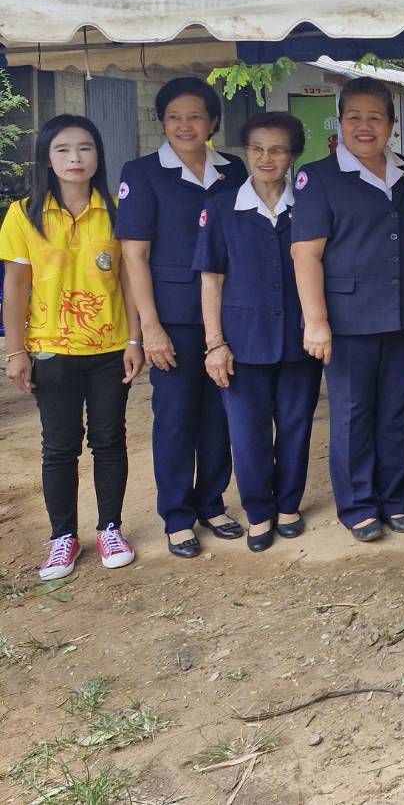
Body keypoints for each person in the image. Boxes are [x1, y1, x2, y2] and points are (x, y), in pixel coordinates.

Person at [2, 116, 145, 578]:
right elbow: (16, 287)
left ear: (98, 155)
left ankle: (109, 528)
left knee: (109, 440)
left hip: (109, 348)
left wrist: (135, 338)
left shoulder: (119, 211)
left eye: (85, 149)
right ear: (46, 156)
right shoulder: (23, 214)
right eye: (63, 150)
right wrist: (15, 351)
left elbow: (129, 279)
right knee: (59, 447)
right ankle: (63, 537)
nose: (75, 159)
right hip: (50, 349)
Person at [291, 77, 404, 542]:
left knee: (395, 408)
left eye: (375, 118)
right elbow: (305, 254)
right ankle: (358, 506)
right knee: (352, 411)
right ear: (341, 121)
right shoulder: (318, 177)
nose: (364, 127)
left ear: (391, 124)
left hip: (402, 311)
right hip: (347, 318)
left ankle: (394, 498)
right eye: (354, 117)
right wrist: (316, 322)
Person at [118, 76, 248, 559]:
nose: (185, 125)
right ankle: (176, 515)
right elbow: (134, 256)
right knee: (174, 417)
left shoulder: (233, 170)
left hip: (228, 315)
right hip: (171, 319)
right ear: (162, 122)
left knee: (221, 414)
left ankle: (212, 503)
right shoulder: (143, 172)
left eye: (195, 116)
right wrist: (148, 328)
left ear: (213, 121)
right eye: (174, 116)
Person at [194, 112, 322, 553]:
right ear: (245, 151)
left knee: (295, 427)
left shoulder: (308, 206)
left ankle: (289, 505)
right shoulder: (222, 208)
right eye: (256, 149)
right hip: (242, 342)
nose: (266, 158)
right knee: (247, 435)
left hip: (299, 338)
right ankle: (259, 511)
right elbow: (211, 280)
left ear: (293, 156)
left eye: (278, 149)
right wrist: (215, 343)